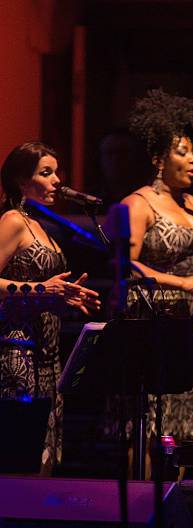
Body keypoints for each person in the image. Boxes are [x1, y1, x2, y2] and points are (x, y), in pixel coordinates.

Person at [113, 88, 193, 443]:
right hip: (151, 321)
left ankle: (173, 497)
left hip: (188, 323)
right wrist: (182, 283)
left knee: (184, 423)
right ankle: (141, 496)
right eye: (182, 152)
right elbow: (127, 266)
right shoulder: (138, 204)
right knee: (147, 427)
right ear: (159, 159)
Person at [0, 142, 101, 474]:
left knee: (45, 457)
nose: (57, 180)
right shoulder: (13, 221)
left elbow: (45, 290)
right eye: (46, 173)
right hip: (17, 351)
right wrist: (43, 288)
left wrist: (65, 296)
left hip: (48, 355)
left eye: (57, 172)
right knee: (20, 457)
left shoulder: (43, 226)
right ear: (20, 180)